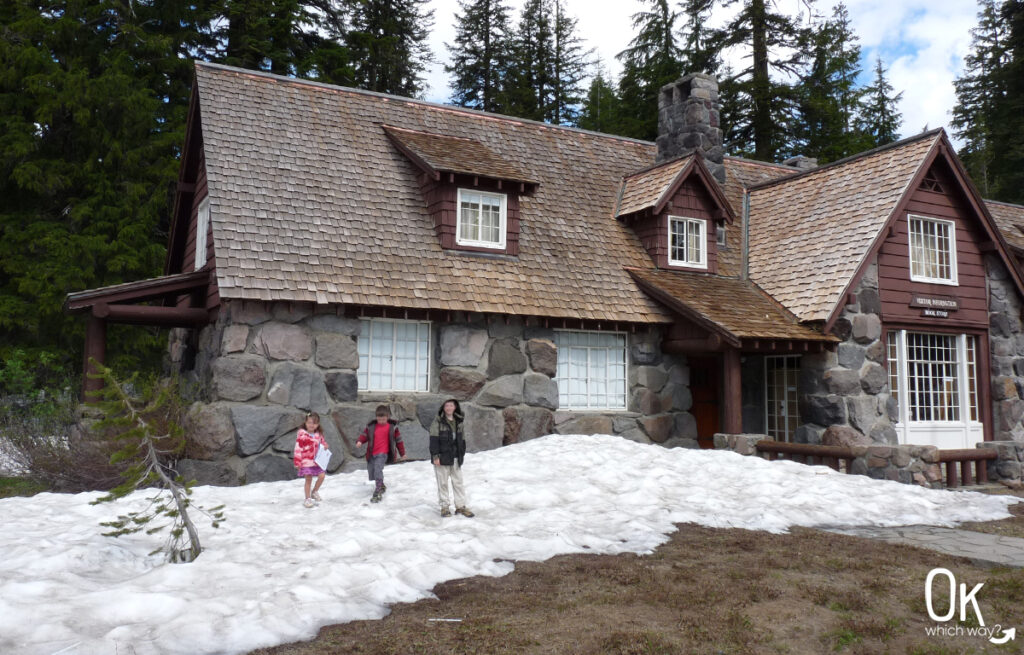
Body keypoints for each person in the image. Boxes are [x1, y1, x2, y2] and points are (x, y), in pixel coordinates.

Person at [429, 398, 474, 518]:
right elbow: (433, 440)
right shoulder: (438, 422)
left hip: (455, 458)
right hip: (442, 458)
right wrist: (435, 456)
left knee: (458, 483)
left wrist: (461, 454)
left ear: (455, 407)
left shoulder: (459, 421)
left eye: (451, 405)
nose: (449, 408)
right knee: (442, 483)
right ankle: (444, 507)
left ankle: (460, 506)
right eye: (446, 406)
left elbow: (462, 439)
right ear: (443, 408)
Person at [356, 405, 406, 503]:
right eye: (379, 419)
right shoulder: (372, 427)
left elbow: (399, 441)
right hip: (372, 453)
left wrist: (402, 453)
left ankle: (378, 491)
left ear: (388, 417)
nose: (381, 421)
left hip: (383, 453)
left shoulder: (392, 427)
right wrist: (360, 441)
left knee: (378, 469)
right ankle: (381, 484)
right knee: (372, 471)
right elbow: (364, 435)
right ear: (376, 417)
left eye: (383, 419)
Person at [293, 412, 328, 508]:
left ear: (318, 424)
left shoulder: (319, 435)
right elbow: (297, 449)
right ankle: (307, 498)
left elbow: (323, 443)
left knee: (322, 476)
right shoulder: (302, 436)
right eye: (309, 422)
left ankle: (314, 491)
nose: (311, 425)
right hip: (306, 462)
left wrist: (325, 446)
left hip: (317, 462)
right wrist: (297, 462)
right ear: (305, 423)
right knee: (308, 480)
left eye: (314, 423)